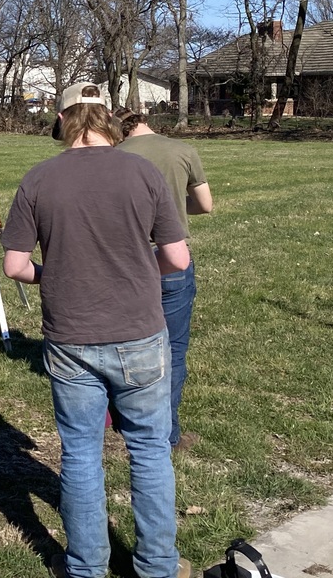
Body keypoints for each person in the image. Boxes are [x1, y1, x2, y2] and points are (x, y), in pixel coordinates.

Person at [1, 82, 192, 578]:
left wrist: (53, 273)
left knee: (81, 453)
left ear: (64, 120)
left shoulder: (39, 178)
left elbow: (16, 265)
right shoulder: (144, 172)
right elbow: (177, 259)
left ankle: (86, 567)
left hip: (70, 337)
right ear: (107, 118)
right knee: (149, 451)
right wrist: (137, 266)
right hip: (139, 332)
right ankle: (158, 567)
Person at [115, 108, 213, 453]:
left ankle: (121, 420)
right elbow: (205, 204)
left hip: (124, 261)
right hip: (171, 258)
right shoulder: (181, 150)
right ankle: (166, 432)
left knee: (120, 344)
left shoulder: (113, 156)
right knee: (172, 348)